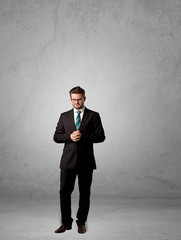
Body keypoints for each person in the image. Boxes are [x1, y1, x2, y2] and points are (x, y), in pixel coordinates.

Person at [53, 86, 105, 234]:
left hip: (86, 161)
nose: (76, 102)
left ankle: (81, 222)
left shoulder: (94, 116)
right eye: (73, 100)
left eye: (79, 99)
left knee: (84, 193)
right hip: (68, 161)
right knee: (64, 192)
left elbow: (101, 136)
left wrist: (84, 137)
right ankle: (65, 223)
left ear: (84, 98)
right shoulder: (64, 116)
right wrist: (69, 137)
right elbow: (56, 136)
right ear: (70, 99)